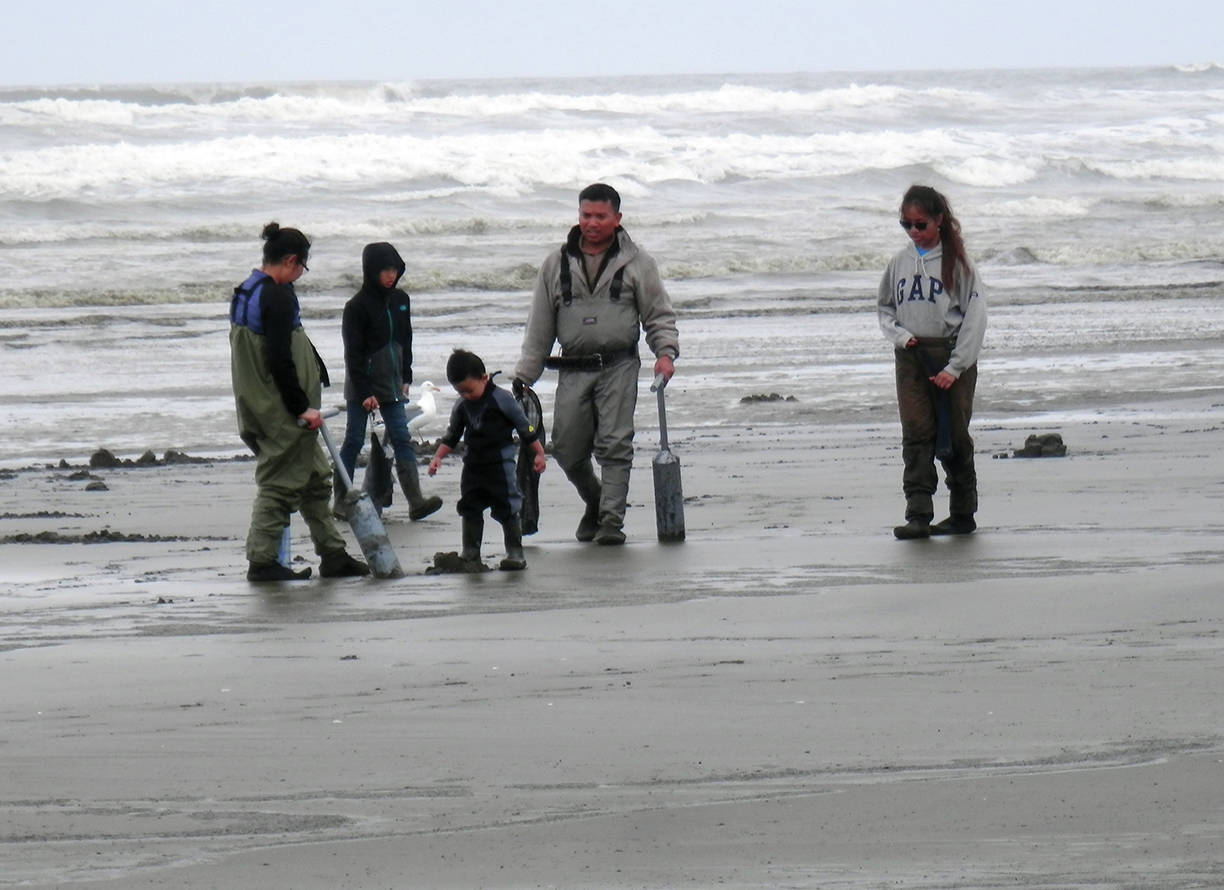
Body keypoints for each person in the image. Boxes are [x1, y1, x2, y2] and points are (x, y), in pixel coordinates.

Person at [512, 183, 679, 545]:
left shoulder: (639, 263)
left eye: (601, 216)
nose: (592, 222)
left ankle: (610, 522)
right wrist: (524, 378)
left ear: (617, 219)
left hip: (619, 365)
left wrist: (665, 354)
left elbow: (659, 315)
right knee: (566, 449)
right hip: (572, 368)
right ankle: (596, 499)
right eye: (586, 215)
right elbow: (539, 328)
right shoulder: (555, 264)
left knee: (615, 444)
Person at [229, 222, 369, 581]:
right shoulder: (276, 295)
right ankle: (262, 562)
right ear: (291, 261)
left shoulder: (246, 290)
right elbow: (278, 358)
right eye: (302, 268)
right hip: (279, 409)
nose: (300, 276)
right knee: (278, 482)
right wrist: (300, 407)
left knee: (315, 479)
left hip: (260, 402)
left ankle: (333, 554)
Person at [877, 185, 987, 540]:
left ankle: (962, 512)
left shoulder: (960, 264)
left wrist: (955, 367)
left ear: (939, 221)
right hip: (911, 357)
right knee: (916, 434)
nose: (913, 232)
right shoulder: (899, 263)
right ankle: (919, 515)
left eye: (920, 224)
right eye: (905, 225)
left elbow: (974, 318)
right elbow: (885, 309)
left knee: (953, 435)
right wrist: (899, 336)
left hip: (951, 356)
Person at [336, 241, 442, 521]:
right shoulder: (356, 307)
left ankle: (416, 501)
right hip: (363, 385)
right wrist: (363, 391)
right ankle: (341, 500)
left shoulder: (401, 300)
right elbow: (353, 353)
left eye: (394, 269)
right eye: (384, 270)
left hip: (393, 383)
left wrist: (406, 375)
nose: (390, 275)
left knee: (401, 438)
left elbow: (406, 339)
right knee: (354, 440)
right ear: (371, 271)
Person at [428, 350, 546, 570]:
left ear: (484, 378)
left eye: (469, 390)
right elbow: (452, 435)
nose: (465, 395)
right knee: (470, 507)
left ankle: (515, 553)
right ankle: (471, 554)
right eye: (460, 391)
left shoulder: (502, 399)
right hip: (472, 467)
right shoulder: (462, 405)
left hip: (500, 466)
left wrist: (539, 453)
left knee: (507, 507)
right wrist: (437, 457)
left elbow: (525, 428)